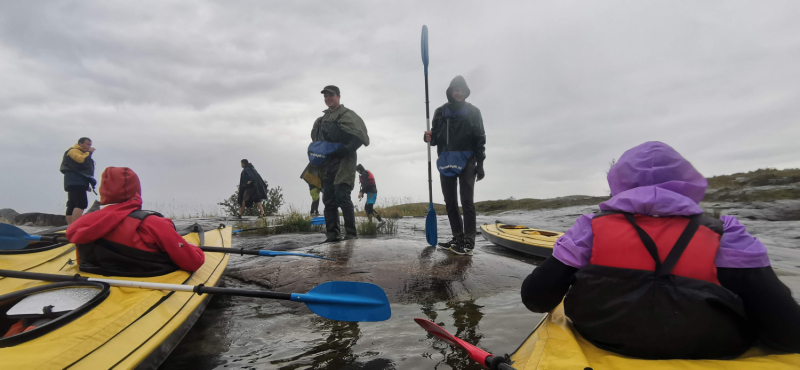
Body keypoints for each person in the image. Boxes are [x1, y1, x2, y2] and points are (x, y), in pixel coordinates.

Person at [520, 142, 800, 359]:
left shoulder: (590, 228)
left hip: (601, 337)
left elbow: (536, 299)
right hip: (713, 347)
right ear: (687, 182)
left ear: (618, 183)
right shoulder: (725, 232)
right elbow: (789, 334)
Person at [66, 167, 205, 276]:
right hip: (148, 281)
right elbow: (193, 262)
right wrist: (193, 248)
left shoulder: (83, 224)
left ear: (104, 191)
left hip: (97, 277)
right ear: (136, 191)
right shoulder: (153, 224)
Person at [423, 76, 486, 256]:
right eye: (455, 90)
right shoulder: (439, 112)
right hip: (446, 160)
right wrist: (428, 137)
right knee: (450, 202)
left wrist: (480, 163)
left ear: (466, 92)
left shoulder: (474, 111)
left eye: (462, 90)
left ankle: (469, 242)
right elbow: (434, 139)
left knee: (467, 202)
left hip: (467, 160)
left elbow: (480, 138)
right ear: (450, 91)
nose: (459, 93)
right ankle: (457, 238)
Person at [309, 85, 370, 242]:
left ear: (339, 96)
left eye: (331, 95)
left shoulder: (348, 115)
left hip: (344, 161)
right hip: (327, 163)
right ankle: (332, 235)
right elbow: (317, 142)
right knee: (328, 199)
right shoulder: (321, 120)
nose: (328, 98)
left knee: (342, 197)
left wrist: (345, 150)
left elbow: (360, 137)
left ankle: (351, 235)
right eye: (325, 96)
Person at [60, 137, 97, 224]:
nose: (89, 147)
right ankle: (75, 226)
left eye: (90, 145)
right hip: (76, 181)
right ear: (80, 143)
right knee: (81, 203)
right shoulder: (73, 151)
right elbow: (81, 160)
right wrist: (89, 152)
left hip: (75, 181)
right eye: (87, 144)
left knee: (72, 203)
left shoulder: (82, 153)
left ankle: (70, 227)